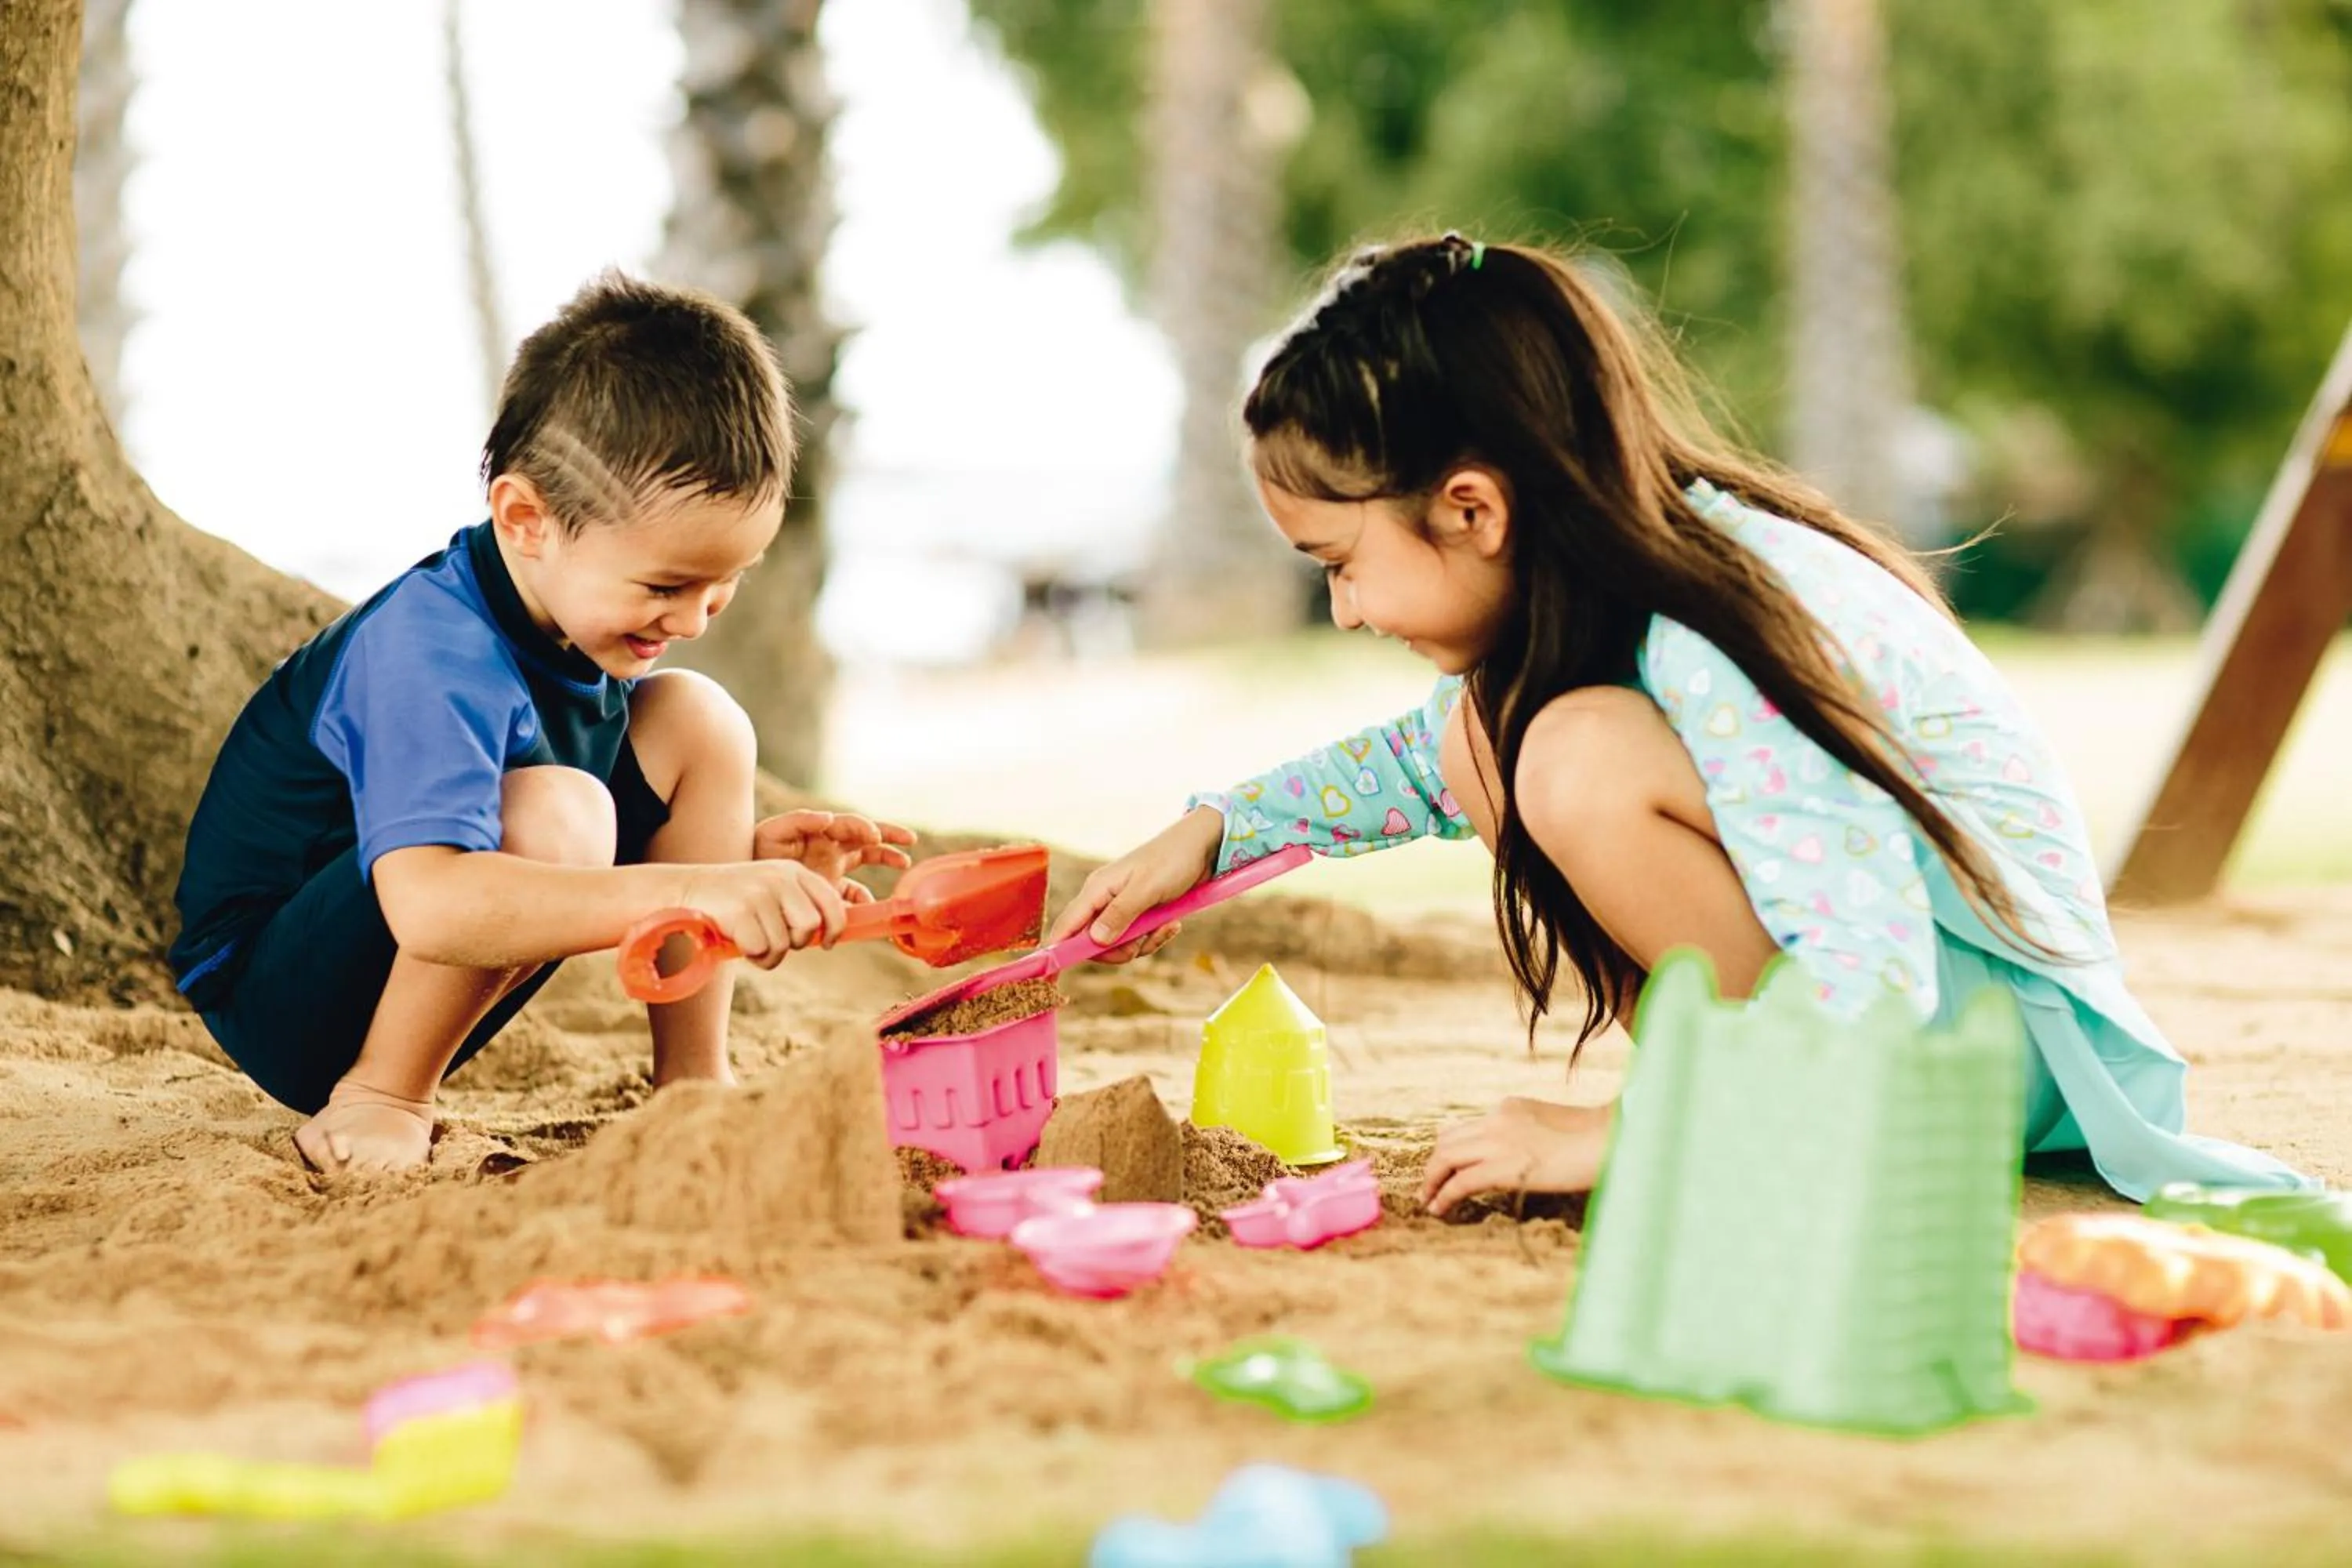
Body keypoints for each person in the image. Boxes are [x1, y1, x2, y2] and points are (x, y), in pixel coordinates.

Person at [1049, 234, 2307, 1215]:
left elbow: (1869, 968)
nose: (1345, 613)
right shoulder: (1627, 585)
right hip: (1920, 1018)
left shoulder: (1724, 632)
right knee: (1493, 742)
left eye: (1340, 563)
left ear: (1473, 509)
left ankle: (1753, 1117)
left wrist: (1640, 1136)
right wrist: (1217, 828)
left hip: (1967, 1053)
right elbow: (1421, 764)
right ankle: (1743, 1099)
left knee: (1572, 759)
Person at [170, 271, 913, 1176]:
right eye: (664, 585)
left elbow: (577, 829)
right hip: (285, 991)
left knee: (700, 718)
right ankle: (382, 1093)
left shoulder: (570, 617)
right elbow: (435, 903)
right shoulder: (428, 648)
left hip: (427, 951)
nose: (692, 618)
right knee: (566, 815)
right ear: (527, 519)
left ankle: (692, 1076)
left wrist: (746, 870)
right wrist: (694, 890)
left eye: (727, 583)